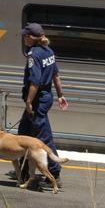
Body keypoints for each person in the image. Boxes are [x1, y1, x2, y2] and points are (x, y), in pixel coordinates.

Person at [16, 22, 68, 189]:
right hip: (45, 98)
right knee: (23, 134)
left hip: (37, 100)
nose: (24, 38)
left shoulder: (34, 55)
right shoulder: (48, 51)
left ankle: (55, 172)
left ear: (31, 37)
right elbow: (56, 75)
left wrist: (29, 101)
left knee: (43, 137)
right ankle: (24, 172)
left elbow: (35, 82)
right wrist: (60, 95)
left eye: (26, 36)